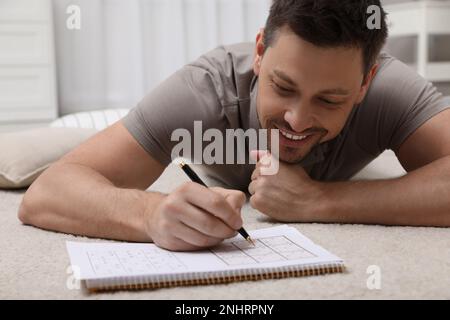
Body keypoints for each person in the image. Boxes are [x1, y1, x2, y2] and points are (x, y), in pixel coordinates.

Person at [19, 0, 450, 251]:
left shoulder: (390, 89)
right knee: (88, 129)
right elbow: (47, 193)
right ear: (260, 52)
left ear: (364, 83)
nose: (297, 120)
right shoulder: (205, 88)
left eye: (329, 100)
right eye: (282, 87)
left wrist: (319, 200)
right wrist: (148, 214)